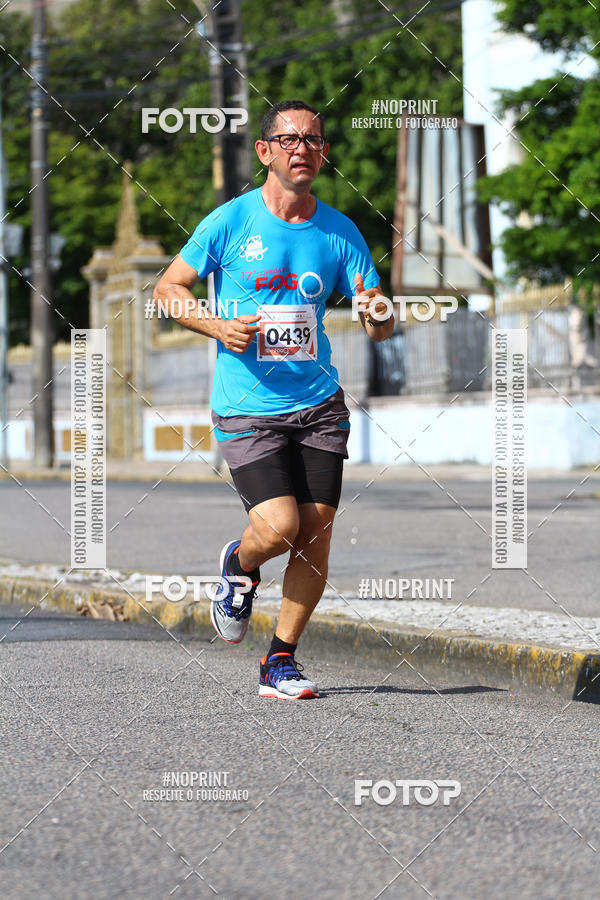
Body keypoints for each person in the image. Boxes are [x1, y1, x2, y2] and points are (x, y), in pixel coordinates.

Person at [154, 100, 394, 700]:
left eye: (313, 140)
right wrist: (215, 326)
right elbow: (168, 287)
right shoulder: (230, 222)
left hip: (318, 403)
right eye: (289, 140)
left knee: (315, 533)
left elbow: (378, 317)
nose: (302, 150)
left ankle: (280, 661)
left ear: (325, 153)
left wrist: (379, 313)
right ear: (265, 152)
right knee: (280, 526)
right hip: (247, 407)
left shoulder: (340, 232)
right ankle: (239, 565)